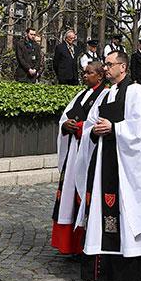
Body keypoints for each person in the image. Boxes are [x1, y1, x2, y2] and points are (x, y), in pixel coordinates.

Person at [71, 51, 141, 281]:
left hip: (126, 168)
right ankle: (96, 275)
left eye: (109, 64)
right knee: (99, 217)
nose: (106, 68)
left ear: (123, 67)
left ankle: (132, 274)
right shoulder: (105, 94)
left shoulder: (136, 92)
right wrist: (93, 131)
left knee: (127, 215)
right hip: (104, 165)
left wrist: (114, 128)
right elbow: (91, 123)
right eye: (105, 64)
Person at [51, 61, 107, 256]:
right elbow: (64, 117)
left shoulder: (105, 95)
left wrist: (83, 128)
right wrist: (65, 125)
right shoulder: (81, 95)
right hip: (74, 149)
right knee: (69, 195)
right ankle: (70, 244)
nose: (84, 76)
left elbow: (100, 123)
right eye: (84, 72)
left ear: (99, 76)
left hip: (89, 151)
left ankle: (85, 244)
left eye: (89, 73)